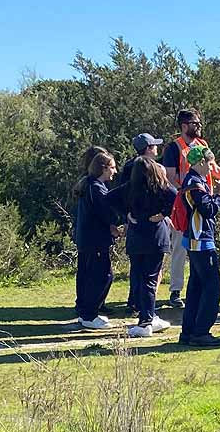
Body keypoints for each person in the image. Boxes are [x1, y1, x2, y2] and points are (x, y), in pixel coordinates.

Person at [161, 109, 220, 309]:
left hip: (205, 203)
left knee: (202, 246)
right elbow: (170, 177)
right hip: (185, 205)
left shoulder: (203, 145)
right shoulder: (174, 147)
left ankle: (195, 288)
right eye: (195, 123)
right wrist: (188, 194)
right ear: (184, 125)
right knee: (180, 247)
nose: (199, 126)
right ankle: (175, 291)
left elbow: (216, 169)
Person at [178, 145, 220, 347]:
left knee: (196, 286)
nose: (212, 168)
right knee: (212, 286)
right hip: (200, 240)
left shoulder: (196, 180)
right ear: (201, 163)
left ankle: (189, 331)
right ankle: (201, 332)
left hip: (196, 239)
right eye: (210, 163)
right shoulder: (194, 183)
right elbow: (209, 210)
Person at [117, 158, 176, 337]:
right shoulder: (160, 188)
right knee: (149, 279)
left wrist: (126, 215)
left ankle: (147, 317)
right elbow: (175, 196)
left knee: (138, 278)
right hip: (155, 238)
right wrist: (164, 214)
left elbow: (109, 198)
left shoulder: (130, 188)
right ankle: (147, 320)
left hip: (136, 238)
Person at [116, 133, 164, 315]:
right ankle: (141, 303)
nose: (157, 149)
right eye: (154, 146)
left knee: (137, 265)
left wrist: (126, 215)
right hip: (147, 223)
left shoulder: (129, 166)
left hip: (135, 221)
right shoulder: (148, 168)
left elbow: (120, 195)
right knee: (147, 268)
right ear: (149, 148)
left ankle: (136, 302)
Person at [72, 151, 120, 329]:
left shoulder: (90, 185)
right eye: (113, 167)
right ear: (104, 168)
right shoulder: (97, 188)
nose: (115, 171)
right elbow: (107, 213)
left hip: (87, 239)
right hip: (95, 241)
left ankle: (87, 313)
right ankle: (89, 315)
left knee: (88, 275)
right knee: (102, 276)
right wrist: (117, 221)